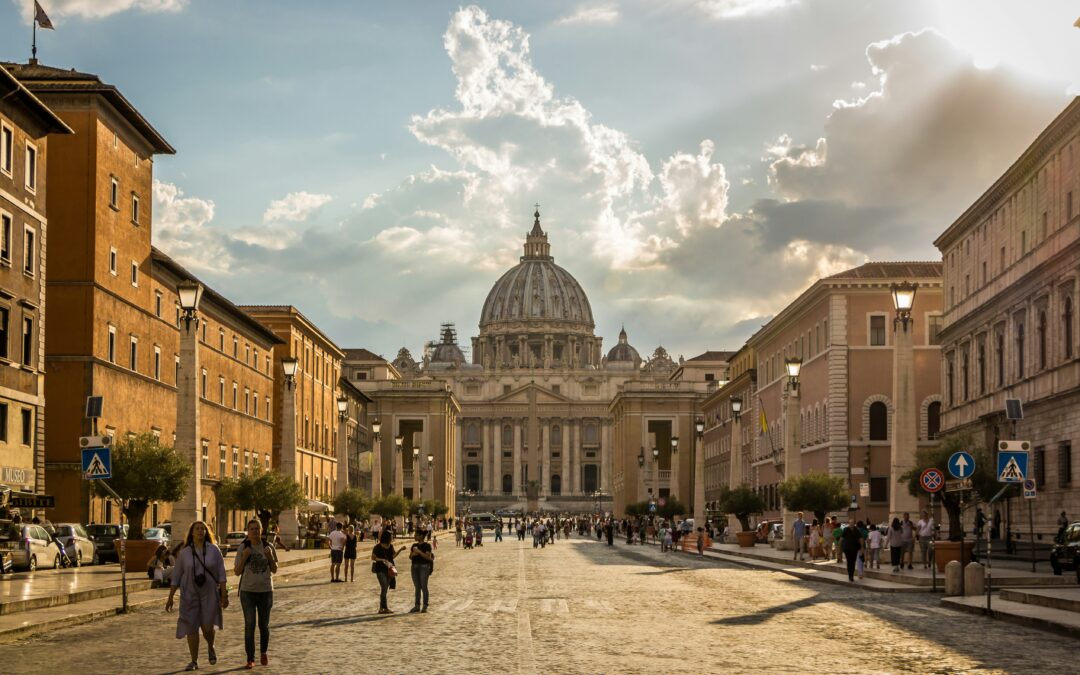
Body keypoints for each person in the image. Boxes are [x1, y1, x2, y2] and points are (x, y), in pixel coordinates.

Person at [166, 521, 228, 672]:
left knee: (207, 626)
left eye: (203, 529)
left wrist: (224, 595)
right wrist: (170, 597)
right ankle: (194, 660)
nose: (200, 531)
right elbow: (176, 575)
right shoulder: (185, 553)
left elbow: (221, 574)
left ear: (206, 532)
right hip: (189, 594)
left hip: (209, 593)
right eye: (197, 529)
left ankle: (211, 646)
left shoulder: (214, 550)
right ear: (192, 532)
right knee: (191, 627)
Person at [234, 518, 277, 670]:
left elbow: (275, 569)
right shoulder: (243, 547)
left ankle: (263, 652)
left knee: (264, 625)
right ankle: (250, 658)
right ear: (248, 531)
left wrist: (269, 556)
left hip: (266, 591)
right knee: (249, 624)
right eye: (251, 529)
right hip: (248, 592)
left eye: (257, 528)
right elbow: (237, 571)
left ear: (261, 530)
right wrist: (245, 557)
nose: (254, 531)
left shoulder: (268, 546)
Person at [370, 529, 406, 614]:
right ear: (387, 537)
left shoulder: (391, 546)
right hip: (380, 569)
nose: (392, 538)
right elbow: (373, 557)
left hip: (389, 569)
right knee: (384, 587)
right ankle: (383, 608)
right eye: (391, 536)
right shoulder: (377, 547)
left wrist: (400, 550)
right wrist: (381, 559)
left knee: (385, 589)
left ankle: (382, 608)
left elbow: (392, 556)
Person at [408, 529, 435, 613]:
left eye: (416, 535)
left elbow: (428, 557)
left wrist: (419, 552)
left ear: (421, 536)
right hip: (414, 567)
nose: (415, 536)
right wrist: (414, 554)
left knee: (424, 586)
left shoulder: (427, 545)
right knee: (417, 587)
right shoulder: (414, 545)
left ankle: (425, 606)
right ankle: (417, 606)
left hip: (424, 567)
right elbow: (410, 557)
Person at [841, 518, 864, 582]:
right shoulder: (846, 530)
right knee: (849, 562)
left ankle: (852, 575)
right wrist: (841, 548)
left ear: (854, 523)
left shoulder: (856, 530)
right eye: (850, 522)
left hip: (854, 549)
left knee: (853, 562)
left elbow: (861, 538)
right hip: (847, 549)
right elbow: (841, 539)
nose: (851, 524)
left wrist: (862, 547)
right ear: (849, 523)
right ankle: (850, 575)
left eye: (852, 523)